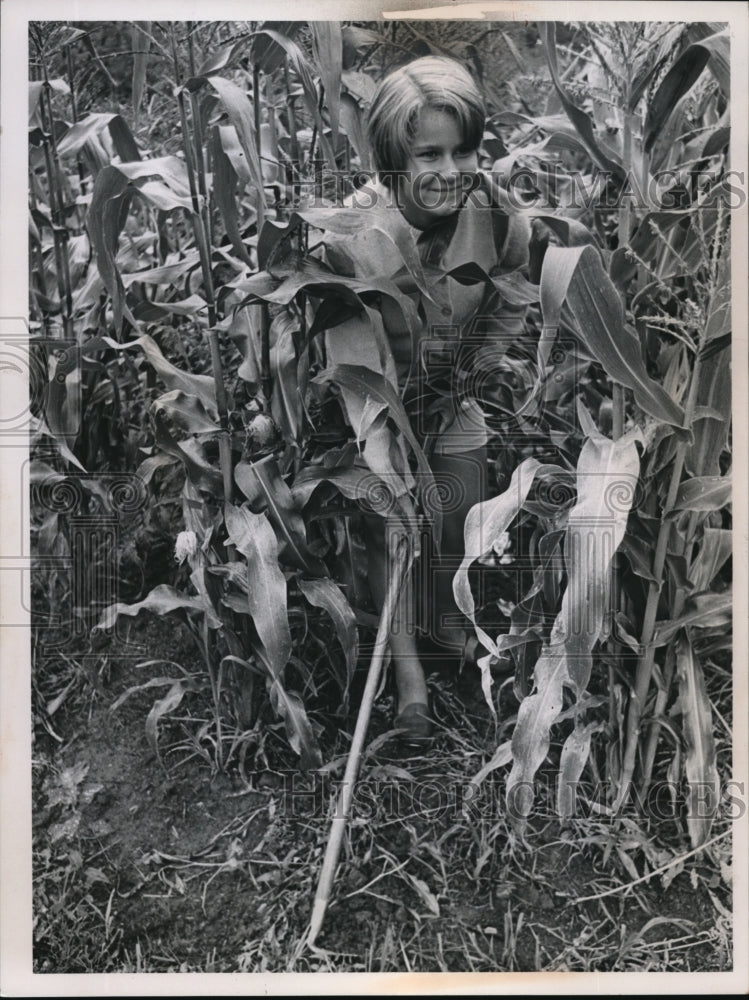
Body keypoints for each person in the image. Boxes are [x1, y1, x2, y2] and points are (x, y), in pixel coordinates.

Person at [320, 56, 530, 747]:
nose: (449, 168)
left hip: (452, 390)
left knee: (460, 510)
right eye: (427, 154)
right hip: (379, 400)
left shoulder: (495, 213)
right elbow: (354, 368)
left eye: (462, 150)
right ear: (390, 159)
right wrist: (386, 461)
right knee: (395, 523)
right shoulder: (354, 240)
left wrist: (475, 371)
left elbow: (509, 293)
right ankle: (408, 681)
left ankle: (446, 632)